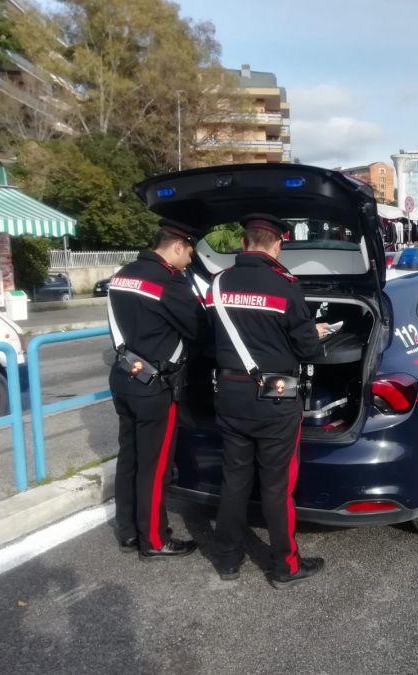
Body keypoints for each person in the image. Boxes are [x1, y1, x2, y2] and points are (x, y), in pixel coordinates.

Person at [210, 213, 329, 588]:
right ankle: (286, 566)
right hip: (274, 401)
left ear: (244, 243)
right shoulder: (285, 285)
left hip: (229, 396)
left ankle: (227, 560)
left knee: (234, 481)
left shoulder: (217, 284)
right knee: (277, 488)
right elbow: (308, 349)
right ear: (277, 245)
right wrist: (317, 333)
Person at [108, 219, 205, 559]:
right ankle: (155, 539)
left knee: (130, 459)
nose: (190, 261)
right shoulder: (168, 282)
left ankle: (129, 532)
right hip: (155, 387)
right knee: (155, 466)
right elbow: (199, 329)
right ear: (177, 246)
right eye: (190, 252)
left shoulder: (122, 275)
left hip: (124, 378)